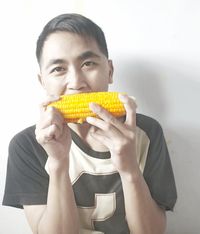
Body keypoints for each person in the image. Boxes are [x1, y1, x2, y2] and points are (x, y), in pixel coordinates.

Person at [3, 13, 177, 234]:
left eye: (88, 63)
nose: (76, 82)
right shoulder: (27, 145)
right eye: (58, 69)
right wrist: (58, 162)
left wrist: (130, 168)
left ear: (110, 70)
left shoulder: (148, 133)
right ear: (42, 81)